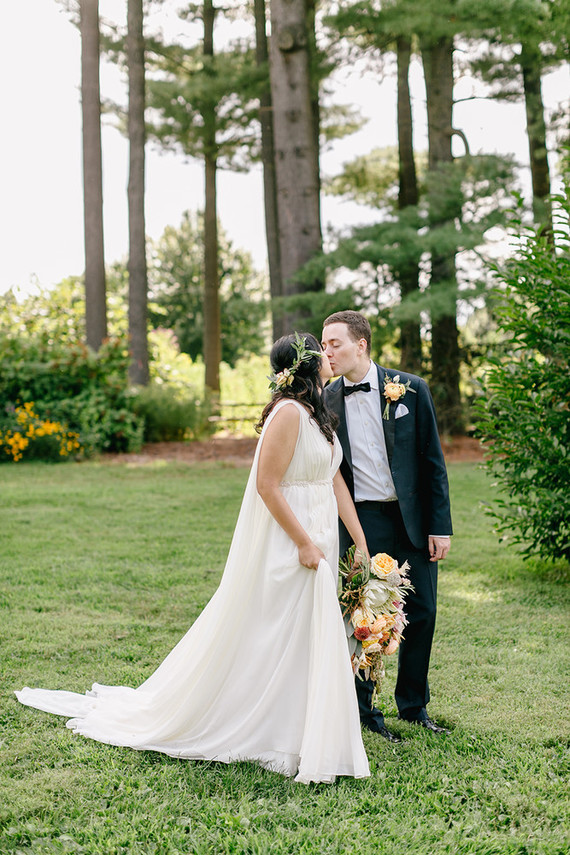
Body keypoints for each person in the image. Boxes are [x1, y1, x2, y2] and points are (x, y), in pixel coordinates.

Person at [16, 333, 370, 784]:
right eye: (320, 349)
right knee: (278, 631)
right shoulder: (288, 413)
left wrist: (357, 538)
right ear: (305, 363)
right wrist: (302, 542)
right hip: (293, 538)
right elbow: (267, 485)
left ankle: (305, 727)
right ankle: (270, 730)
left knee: (308, 632)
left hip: (321, 530)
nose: (328, 354)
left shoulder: (319, 412)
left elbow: (332, 478)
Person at [322, 310, 453, 742]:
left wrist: (440, 526)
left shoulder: (411, 389)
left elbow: (432, 462)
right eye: (324, 345)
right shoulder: (325, 400)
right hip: (363, 520)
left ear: (361, 345)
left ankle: (413, 706)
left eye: (334, 343)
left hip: (412, 519)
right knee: (366, 615)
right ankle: (365, 711)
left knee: (424, 612)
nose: (328, 352)